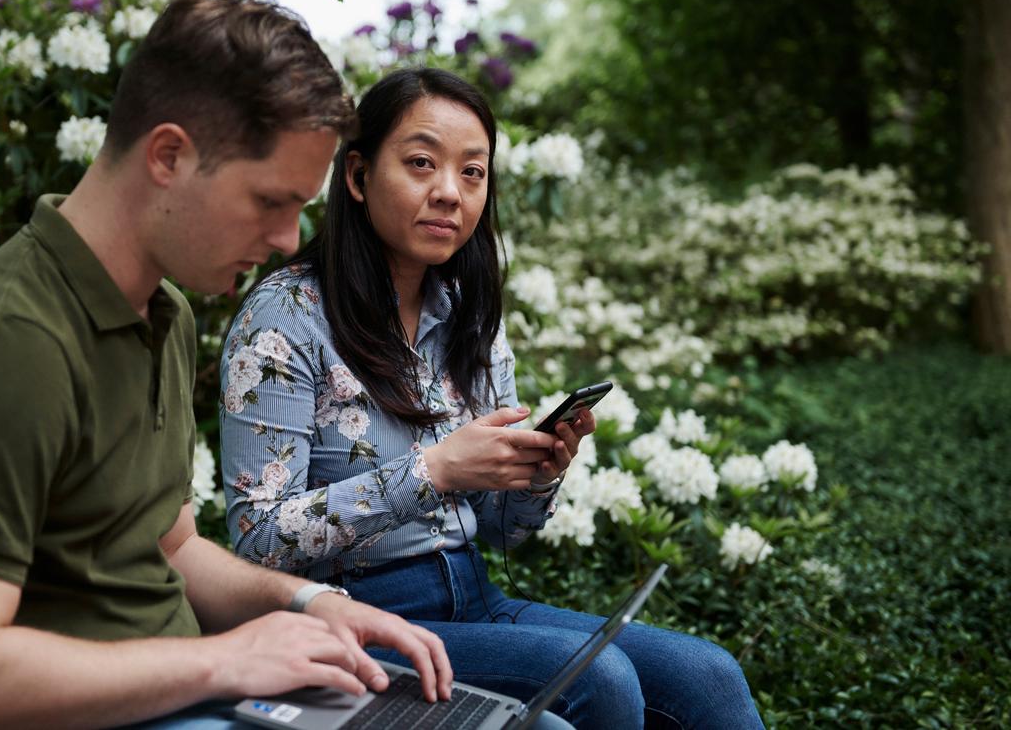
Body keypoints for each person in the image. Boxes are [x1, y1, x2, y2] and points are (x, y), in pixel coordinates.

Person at [0, 0, 463, 730]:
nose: (284, 239)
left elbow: (171, 543)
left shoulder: (163, 316)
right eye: (270, 201)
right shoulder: (3, 343)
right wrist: (225, 661)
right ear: (169, 155)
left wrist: (315, 605)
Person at [218, 67, 766, 729]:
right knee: (603, 681)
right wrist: (435, 471)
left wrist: (537, 475)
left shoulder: (467, 314)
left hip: (475, 599)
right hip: (355, 618)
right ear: (359, 177)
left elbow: (505, 530)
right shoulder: (285, 318)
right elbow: (256, 541)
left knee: (708, 676)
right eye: (421, 164)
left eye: (472, 172)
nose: (449, 192)